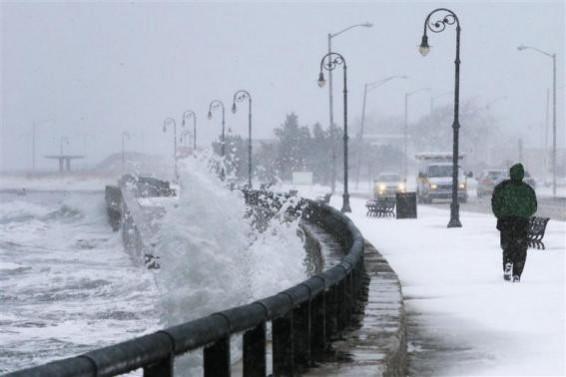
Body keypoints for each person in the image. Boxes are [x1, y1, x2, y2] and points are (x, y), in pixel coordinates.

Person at [491, 163, 537, 282]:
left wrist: (500, 214)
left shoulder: (503, 187)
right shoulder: (528, 189)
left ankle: (508, 262)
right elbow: (533, 206)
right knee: (521, 249)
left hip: (506, 221)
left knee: (508, 246)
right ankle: (517, 272)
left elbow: (495, 201)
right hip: (522, 223)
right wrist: (525, 214)